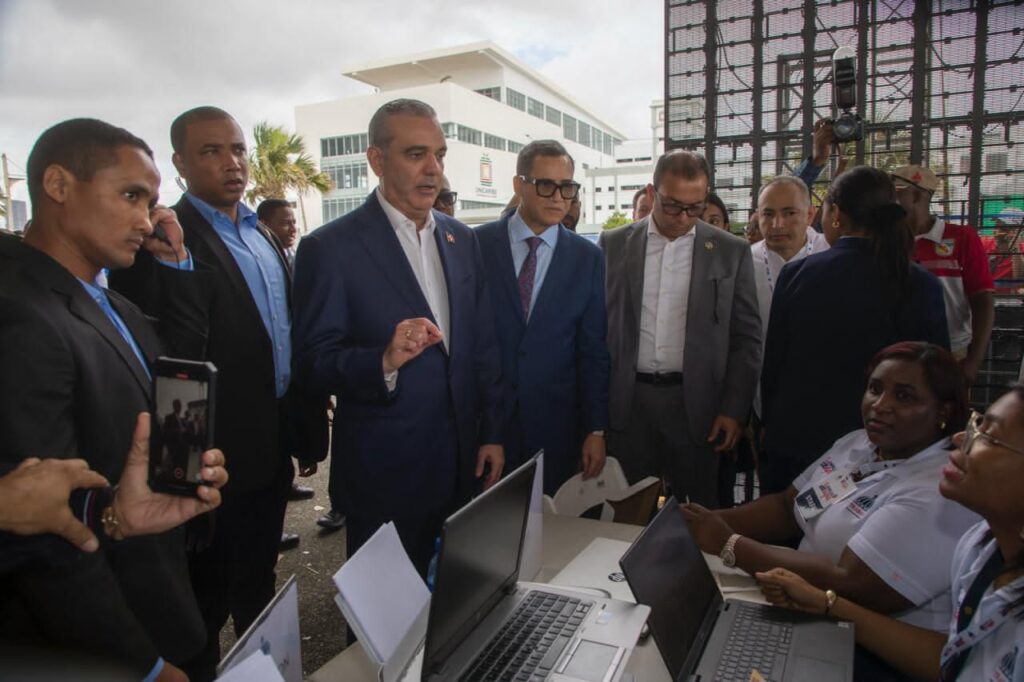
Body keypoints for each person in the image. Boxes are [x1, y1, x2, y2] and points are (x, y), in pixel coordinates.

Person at [0, 118, 228, 681]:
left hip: (163, 589)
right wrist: (139, 665)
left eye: (150, 201)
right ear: (58, 185)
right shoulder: (23, 316)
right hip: (103, 642)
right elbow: (46, 533)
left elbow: (179, 365)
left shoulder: (112, 303)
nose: (146, 219)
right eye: (130, 196)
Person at [111, 106, 328, 681]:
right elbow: (161, 357)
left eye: (237, 149)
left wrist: (304, 426)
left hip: (271, 443)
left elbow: (285, 337)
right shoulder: (160, 238)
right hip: (207, 455)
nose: (232, 163)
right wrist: (181, 467)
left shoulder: (262, 233)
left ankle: (264, 667)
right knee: (202, 602)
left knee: (258, 579)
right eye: (211, 151)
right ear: (179, 163)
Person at [291, 98, 504, 576]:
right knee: (386, 616)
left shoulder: (462, 240)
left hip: (462, 469)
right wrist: (382, 361)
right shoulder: (329, 248)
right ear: (377, 160)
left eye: (439, 154)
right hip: (384, 476)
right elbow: (311, 363)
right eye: (415, 154)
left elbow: (483, 347)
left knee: (456, 602)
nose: (433, 169)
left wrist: (491, 432)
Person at [685, 342, 979, 651]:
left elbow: (850, 584)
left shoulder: (939, 489)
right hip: (802, 610)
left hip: (864, 650)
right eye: (874, 389)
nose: (880, 405)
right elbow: (788, 508)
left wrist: (729, 544)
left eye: (903, 396)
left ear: (943, 411)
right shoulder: (860, 444)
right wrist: (702, 521)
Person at [758, 383, 1024, 682]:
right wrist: (827, 604)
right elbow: (952, 661)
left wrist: (730, 546)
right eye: (977, 424)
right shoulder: (980, 546)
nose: (961, 438)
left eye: (988, 437)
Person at [760, 166, 950, 494]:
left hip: (799, 443)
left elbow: (774, 366)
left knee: (788, 521)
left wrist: (767, 426)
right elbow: (938, 375)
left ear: (835, 214)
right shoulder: (920, 283)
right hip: (884, 449)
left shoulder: (798, 274)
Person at [600, 150, 761, 508]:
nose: (683, 217)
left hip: (698, 408)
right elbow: (597, 329)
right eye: (672, 206)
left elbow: (746, 339)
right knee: (626, 512)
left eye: (695, 208)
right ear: (652, 192)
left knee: (699, 512)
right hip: (629, 405)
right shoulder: (614, 244)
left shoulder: (730, 251)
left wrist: (734, 409)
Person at [476, 140, 609, 494]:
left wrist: (595, 429)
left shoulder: (588, 258)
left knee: (549, 523)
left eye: (567, 187)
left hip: (556, 429)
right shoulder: (475, 245)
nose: (558, 197)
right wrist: (487, 428)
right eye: (545, 185)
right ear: (519, 185)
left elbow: (593, 350)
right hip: (485, 428)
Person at [893, 164, 995, 383]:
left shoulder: (962, 238)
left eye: (897, 192)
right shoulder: (887, 241)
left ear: (918, 196)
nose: (890, 200)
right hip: (899, 351)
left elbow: (983, 300)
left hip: (951, 352)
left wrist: (973, 361)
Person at [750, 177, 830, 355]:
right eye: (768, 214)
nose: (777, 224)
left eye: (789, 213)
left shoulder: (829, 252)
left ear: (810, 215)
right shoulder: (745, 261)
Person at [983, 206, 1024, 294]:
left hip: (1007, 299)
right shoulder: (985, 243)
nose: (996, 232)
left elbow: (1020, 281)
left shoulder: (1021, 251)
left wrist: (1015, 249)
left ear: (1016, 232)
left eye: (1003, 228)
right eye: (996, 226)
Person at [257, 198, 299, 268]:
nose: (293, 229)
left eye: (294, 223)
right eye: (285, 223)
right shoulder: (258, 259)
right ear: (264, 225)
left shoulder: (292, 254)